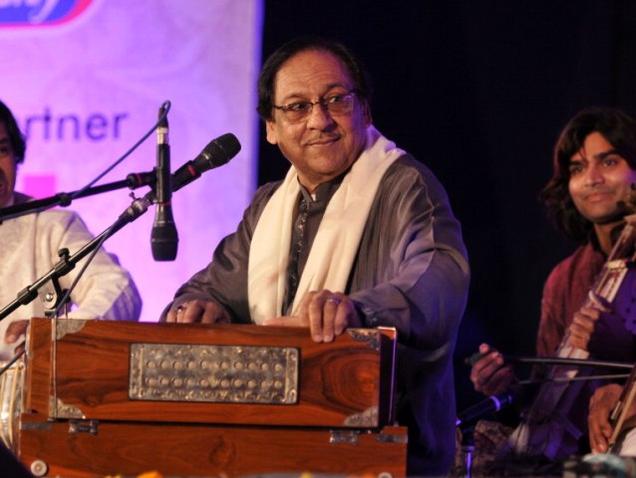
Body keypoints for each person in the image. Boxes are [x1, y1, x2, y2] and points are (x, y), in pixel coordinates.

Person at [163, 37, 470, 475]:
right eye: (297, 107)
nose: (319, 120)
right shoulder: (270, 206)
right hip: (271, 449)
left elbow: (442, 280)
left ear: (365, 110)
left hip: (384, 451)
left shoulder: (405, 186)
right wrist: (199, 309)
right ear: (271, 127)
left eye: (336, 100)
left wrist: (357, 312)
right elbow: (212, 287)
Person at [469, 107, 636, 461]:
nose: (592, 179)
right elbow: (548, 390)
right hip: (568, 456)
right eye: (577, 169)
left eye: (608, 162)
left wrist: (617, 346)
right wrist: (507, 386)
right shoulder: (565, 278)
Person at [0, 99, 142, 360]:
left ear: (16, 156)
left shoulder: (51, 228)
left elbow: (118, 289)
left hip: (21, 396)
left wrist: (57, 334)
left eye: (2, 150)